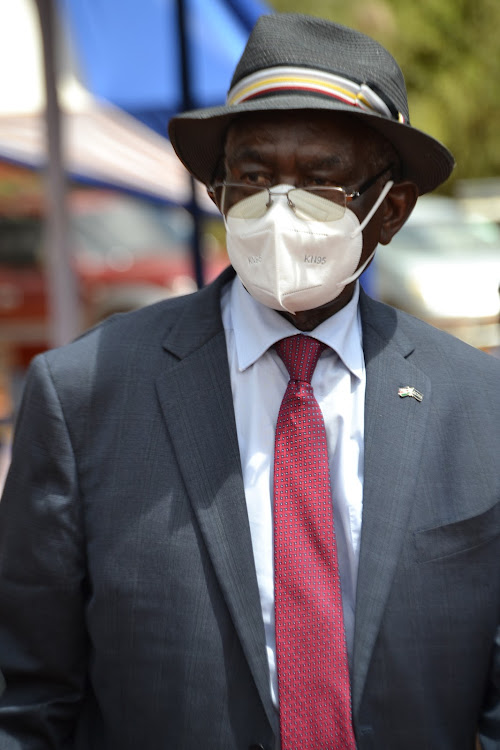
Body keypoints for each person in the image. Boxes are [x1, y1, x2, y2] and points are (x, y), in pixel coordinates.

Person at [0, 12, 499, 750]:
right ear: (218, 193)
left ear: (390, 210)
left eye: (322, 182)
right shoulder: (86, 395)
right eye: (256, 177)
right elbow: (28, 694)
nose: (280, 209)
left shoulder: (479, 405)